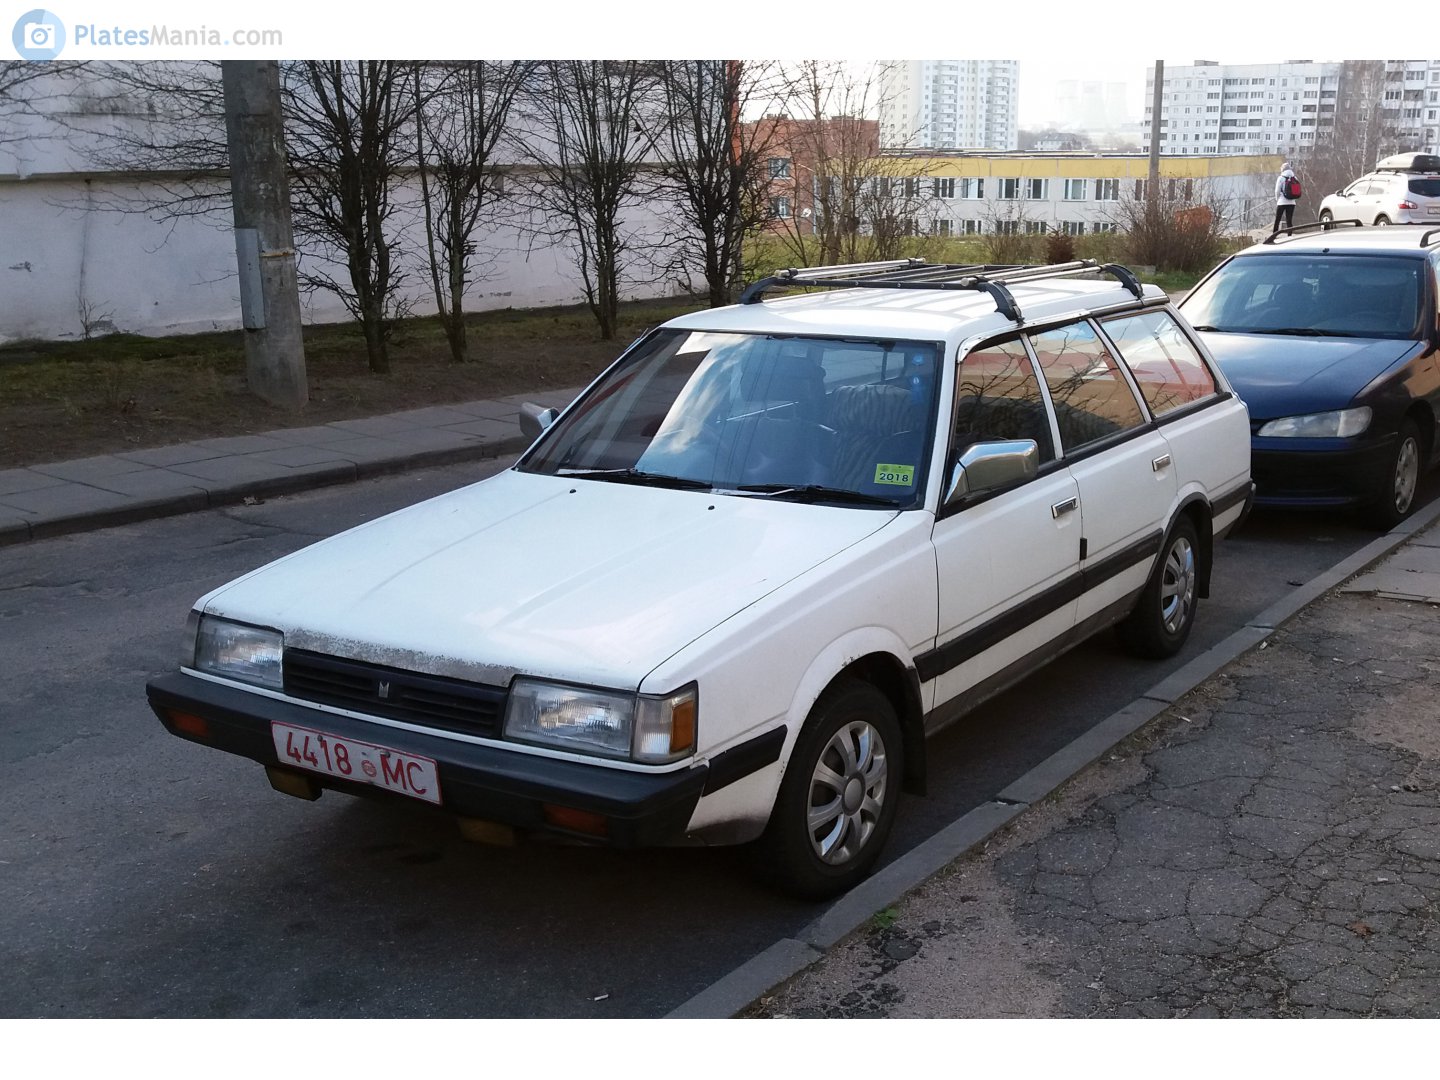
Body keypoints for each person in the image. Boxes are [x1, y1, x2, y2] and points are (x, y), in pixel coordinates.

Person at [1273, 162, 1299, 233]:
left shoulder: (1281, 178)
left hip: (1281, 202)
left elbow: (1277, 191)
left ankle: (1274, 235)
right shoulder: (1294, 178)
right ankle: (1289, 235)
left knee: (1277, 219)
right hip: (1292, 202)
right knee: (1289, 220)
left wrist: (1277, 199)